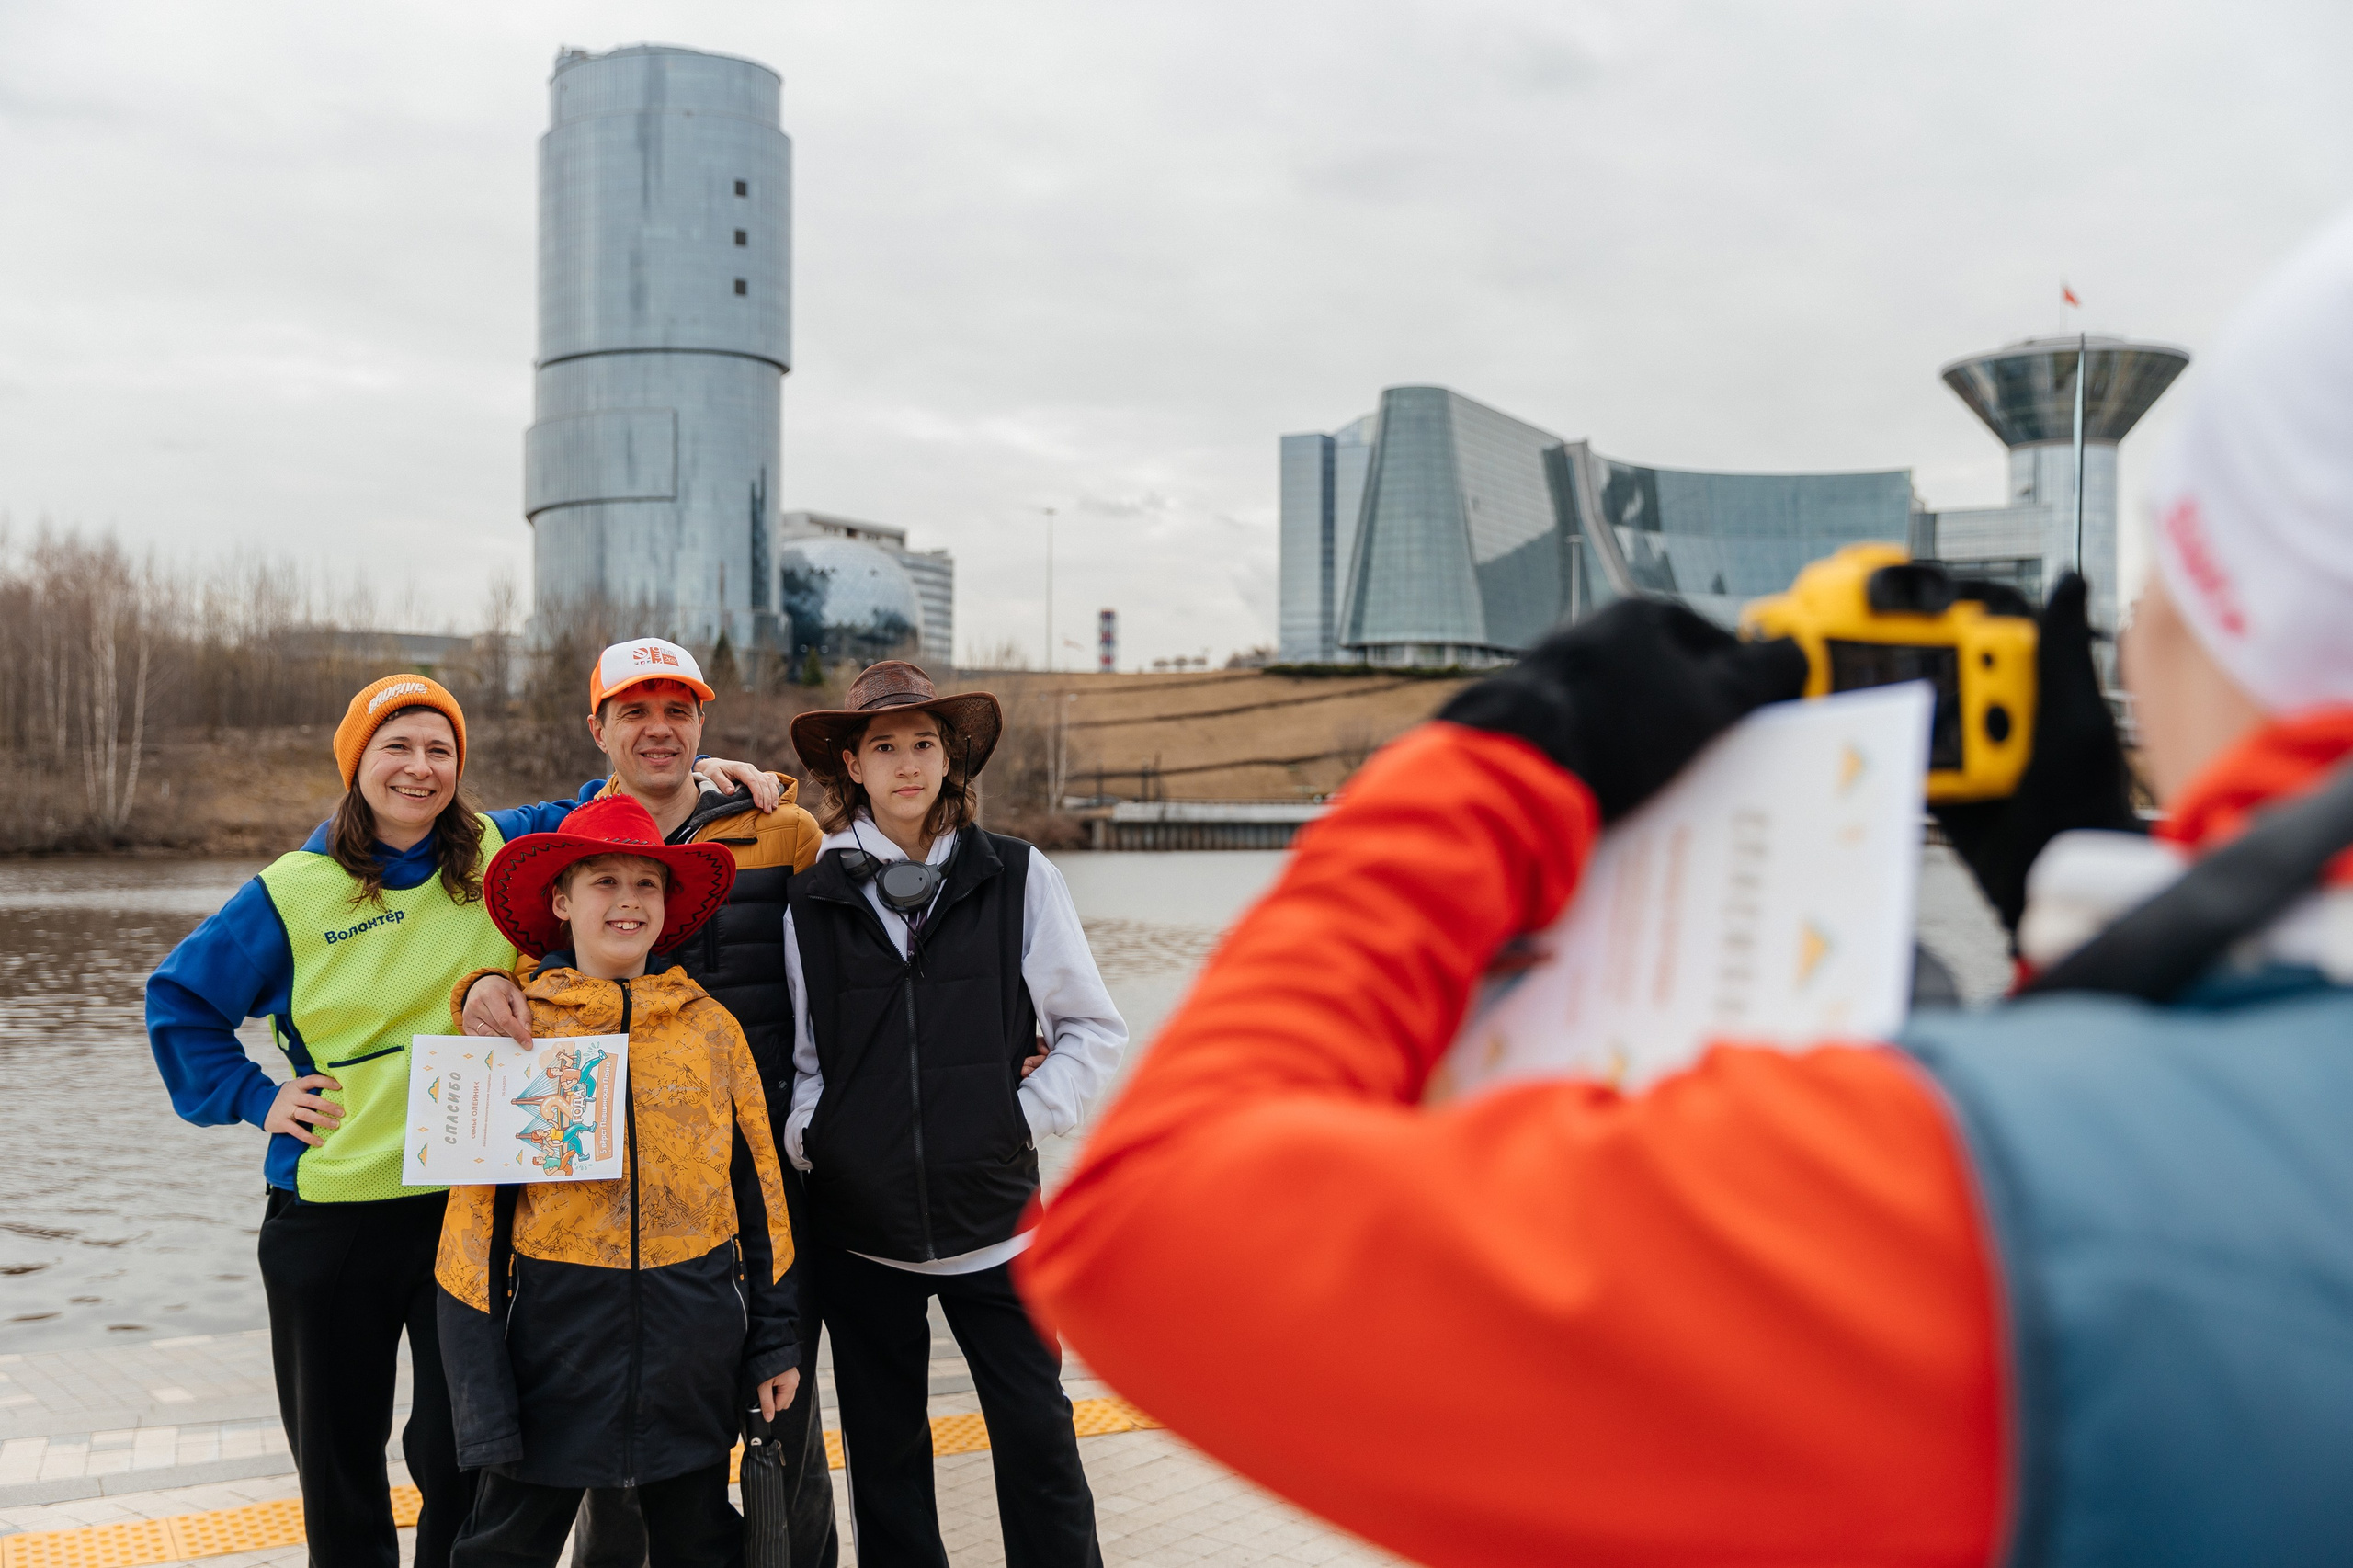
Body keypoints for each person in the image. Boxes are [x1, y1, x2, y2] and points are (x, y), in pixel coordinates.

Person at [1022, 212, 2353, 1568]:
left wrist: (1500, 762)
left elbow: (1145, 1236)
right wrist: (2106, 942)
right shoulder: (2208, 1119)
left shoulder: (1967, 1201)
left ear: (2217, 619)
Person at [145, 671, 775, 1568]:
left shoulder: (497, 848)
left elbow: (612, 806)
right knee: (338, 1459)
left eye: (439, 749)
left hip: (469, 1208)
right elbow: (178, 1002)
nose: (420, 767)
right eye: (396, 746)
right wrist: (256, 1096)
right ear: (356, 762)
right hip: (335, 1211)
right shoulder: (292, 889)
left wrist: (702, 771)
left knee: (465, 1453)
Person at [460, 637, 835, 1568]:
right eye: (634, 710)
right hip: (585, 1255)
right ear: (599, 727)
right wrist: (476, 984)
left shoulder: (780, 829)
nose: (658, 729)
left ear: (703, 723)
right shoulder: (564, 833)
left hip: (744, 1195)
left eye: (678, 711)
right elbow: (427, 835)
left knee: (773, 1454)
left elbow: (860, 962)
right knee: (596, 1496)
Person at [783, 661, 1126, 1568]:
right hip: (862, 1234)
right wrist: (821, 1141)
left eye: (923, 743)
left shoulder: (1017, 874)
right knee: (886, 1465)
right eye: (883, 746)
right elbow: (807, 1060)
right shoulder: (811, 895)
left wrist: (1015, 1118)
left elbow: (1091, 1029)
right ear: (851, 764)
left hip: (1000, 1225)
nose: (906, 763)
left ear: (950, 758)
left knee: (1040, 1444)